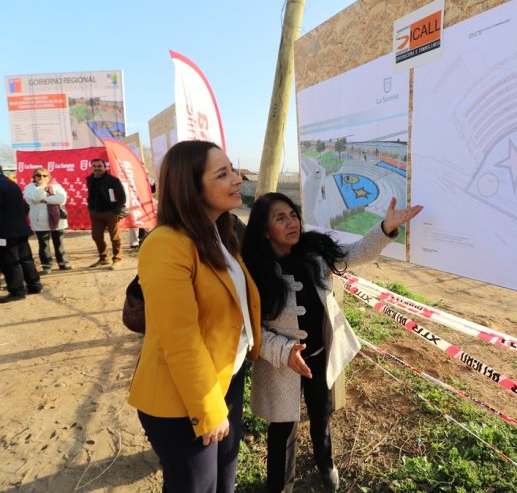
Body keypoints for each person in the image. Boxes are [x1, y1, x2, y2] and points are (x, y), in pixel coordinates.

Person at [241, 192, 422, 492]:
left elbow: (354, 253)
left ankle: (325, 463)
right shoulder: (254, 272)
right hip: (280, 364)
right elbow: (249, 329)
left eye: (293, 214)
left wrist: (385, 228)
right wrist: (283, 351)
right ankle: (279, 486)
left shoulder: (314, 253)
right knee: (282, 428)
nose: (292, 222)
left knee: (320, 413)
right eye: (280, 218)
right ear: (264, 230)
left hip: (318, 355)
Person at [128, 140, 262, 493]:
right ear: (191, 188)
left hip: (226, 380)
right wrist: (208, 409)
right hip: (181, 399)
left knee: (224, 482)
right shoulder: (166, 244)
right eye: (223, 174)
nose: (237, 180)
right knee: (196, 487)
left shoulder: (220, 234)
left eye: (233, 170)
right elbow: (180, 337)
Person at [0, 167, 43, 303]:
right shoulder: (10, 183)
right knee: (25, 258)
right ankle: (34, 285)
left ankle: (17, 290)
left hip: (5, 231)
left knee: (9, 261)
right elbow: (25, 206)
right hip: (20, 228)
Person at [23, 168, 73, 273]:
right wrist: (41, 187)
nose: (42, 177)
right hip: (39, 220)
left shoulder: (56, 185)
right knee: (44, 244)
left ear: (49, 177)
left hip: (57, 219)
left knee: (59, 242)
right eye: (38, 175)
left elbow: (62, 199)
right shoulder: (29, 187)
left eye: (45, 175)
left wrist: (44, 200)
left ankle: (63, 263)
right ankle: (47, 266)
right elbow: (33, 199)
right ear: (34, 177)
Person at [86, 158, 126, 269]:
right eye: (94, 166)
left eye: (99, 166)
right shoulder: (90, 179)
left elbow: (122, 197)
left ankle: (117, 259)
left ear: (104, 167)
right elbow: (90, 196)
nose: (97, 168)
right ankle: (104, 258)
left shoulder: (113, 180)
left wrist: (115, 211)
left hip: (111, 213)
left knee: (115, 237)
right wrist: (91, 209)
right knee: (96, 236)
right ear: (92, 167)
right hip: (96, 213)